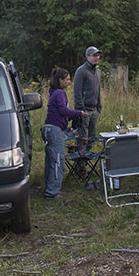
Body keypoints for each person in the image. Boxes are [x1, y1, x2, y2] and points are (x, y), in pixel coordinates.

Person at [42, 67, 84, 199]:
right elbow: (63, 110)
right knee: (58, 161)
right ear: (60, 80)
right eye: (67, 79)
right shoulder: (59, 93)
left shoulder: (53, 92)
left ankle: (48, 186)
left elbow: (60, 113)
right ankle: (52, 192)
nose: (69, 82)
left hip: (47, 128)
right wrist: (79, 113)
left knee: (50, 160)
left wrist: (70, 118)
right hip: (54, 130)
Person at [73, 46, 103, 141]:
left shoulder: (98, 71)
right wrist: (81, 109)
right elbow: (77, 91)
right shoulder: (81, 71)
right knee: (83, 137)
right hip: (84, 110)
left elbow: (98, 90)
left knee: (92, 136)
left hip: (95, 109)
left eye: (98, 55)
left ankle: (89, 154)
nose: (96, 57)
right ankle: (82, 154)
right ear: (87, 57)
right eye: (94, 55)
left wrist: (99, 107)